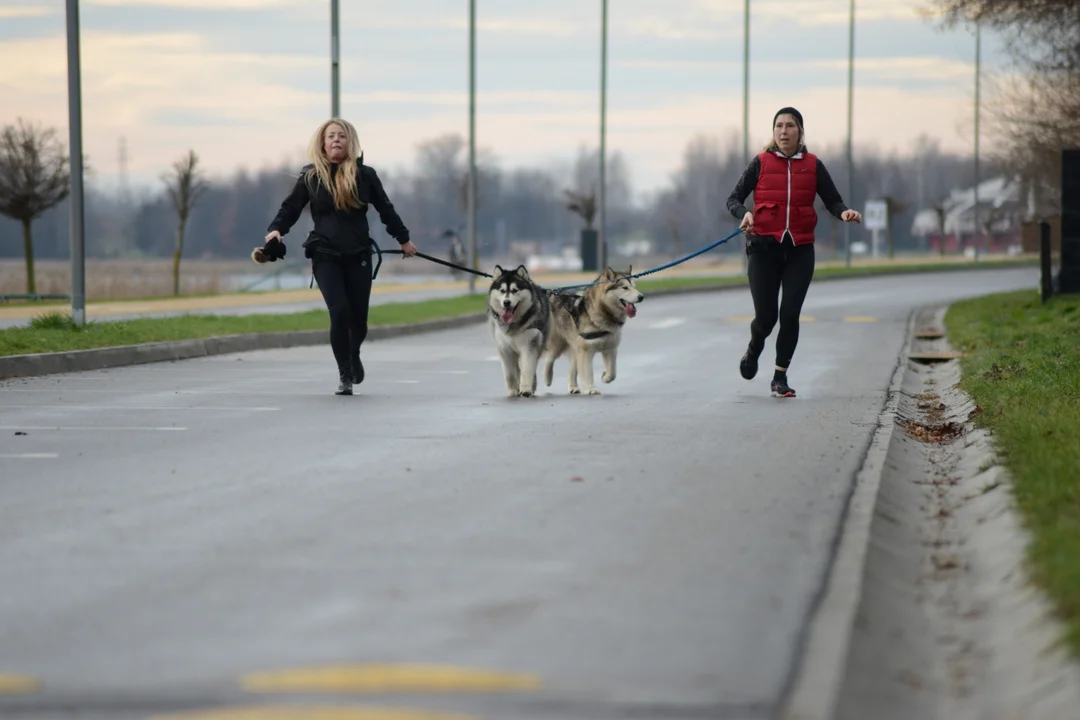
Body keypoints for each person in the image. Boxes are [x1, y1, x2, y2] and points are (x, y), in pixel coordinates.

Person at [265, 118, 418, 396]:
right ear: (322, 143)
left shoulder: (365, 175)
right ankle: (344, 374)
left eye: (342, 136)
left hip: (358, 254)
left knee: (358, 321)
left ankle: (353, 351)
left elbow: (386, 209)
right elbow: (290, 208)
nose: (336, 140)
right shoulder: (311, 177)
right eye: (331, 136)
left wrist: (404, 239)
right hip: (324, 254)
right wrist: (275, 230)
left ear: (350, 143)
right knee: (339, 311)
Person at [726, 107, 861, 398]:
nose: (784, 131)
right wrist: (745, 214)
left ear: (800, 131)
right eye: (779, 126)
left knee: (790, 314)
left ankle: (780, 377)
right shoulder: (760, 162)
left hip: (800, 251)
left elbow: (833, 200)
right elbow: (733, 198)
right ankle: (753, 349)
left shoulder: (813, 165)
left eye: (790, 126)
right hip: (763, 250)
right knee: (766, 318)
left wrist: (845, 212)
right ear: (773, 132)